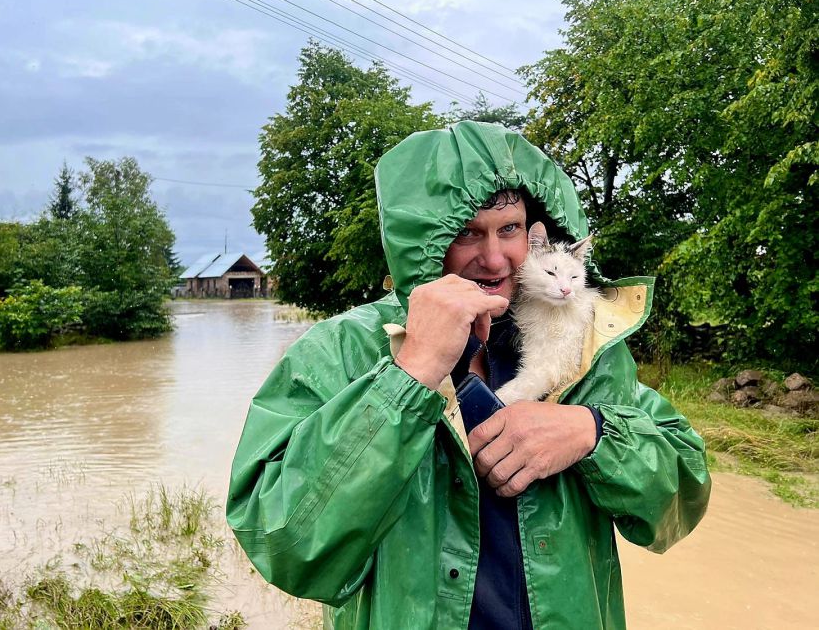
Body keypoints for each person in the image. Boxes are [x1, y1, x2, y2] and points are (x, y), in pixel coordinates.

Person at [227, 121, 711, 629]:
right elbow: (282, 542)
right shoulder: (342, 349)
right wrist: (410, 375)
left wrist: (593, 433)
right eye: (467, 233)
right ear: (423, 241)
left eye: (510, 229)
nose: (495, 258)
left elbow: (681, 497)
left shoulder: (584, 339)